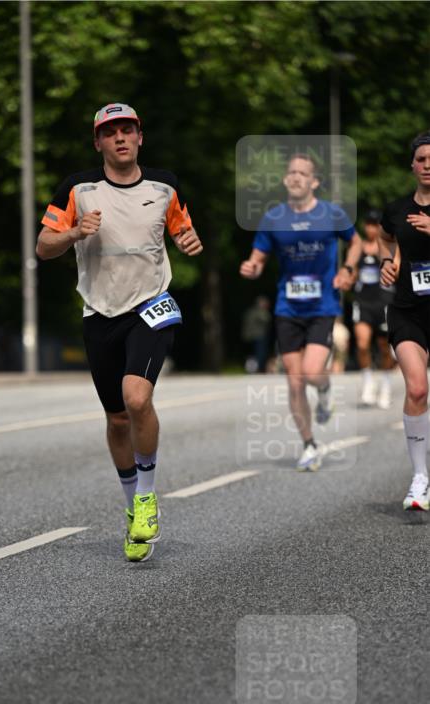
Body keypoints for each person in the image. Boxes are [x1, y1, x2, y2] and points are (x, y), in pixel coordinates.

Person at [36, 103, 202, 561]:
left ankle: (147, 497)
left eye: (128, 130)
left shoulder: (164, 186)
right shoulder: (78, 189)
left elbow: (183, 231)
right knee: (115, 420)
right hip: (99, 312)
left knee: (137, 399)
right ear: (99, 143)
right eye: (111, 133)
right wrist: (73, 234)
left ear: (140, 137)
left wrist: (189, 241)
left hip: (151, 305)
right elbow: (43, 245)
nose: (121, 138)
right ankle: (132, 507)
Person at [240, 153, 362, 471]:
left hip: (323, 306)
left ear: (314, 182)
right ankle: (309, 444)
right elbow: (259, 257)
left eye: (302, 173)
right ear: (284, 180)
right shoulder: (273, 218)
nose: (296, 177)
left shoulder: (332, 214)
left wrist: (348, 268)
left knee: (311, 373)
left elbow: (357, 242)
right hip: (287, 308)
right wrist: (252, 267)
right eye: (291, 172)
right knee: (294, 382)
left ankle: (324, 389)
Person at [379, 131, 430, 511]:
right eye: (422, 159)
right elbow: (385, 239)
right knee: (416, 390)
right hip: (408, 310)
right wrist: (387, 262)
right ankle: (420, 478)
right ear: (412, 166)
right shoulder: (396, 209)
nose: (428, 165)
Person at [353, 209, 396, 408]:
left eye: (376, 224)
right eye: (369, 224)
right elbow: (351, 271)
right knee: (362, 344)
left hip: (384, 302)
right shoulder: (357, 247)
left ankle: (386, 385)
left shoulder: (388, 246)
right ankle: (368, 382)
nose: (372, 228)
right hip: (363, 302)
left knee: (385, 349)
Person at [241, 295, 272, 373]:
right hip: (258, 336)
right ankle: (257, 369)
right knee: (260, 354)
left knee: (252, 355)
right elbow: (267, 319)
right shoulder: (260, 312)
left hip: (248, 336)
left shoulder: (250, 311)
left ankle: (251, 369)